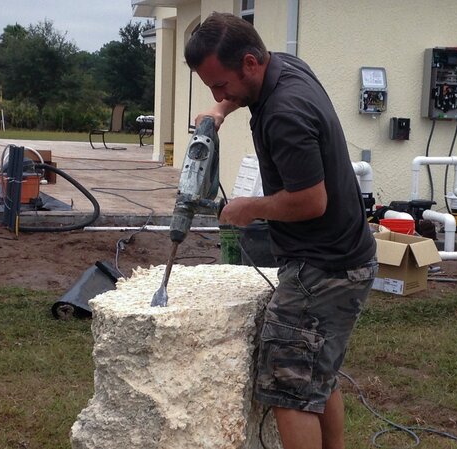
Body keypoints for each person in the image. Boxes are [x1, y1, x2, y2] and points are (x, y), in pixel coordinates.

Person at [186, 12, 377, 449]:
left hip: (323, 270)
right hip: (347, 255)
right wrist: (220, 110)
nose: (219, 94)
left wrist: (248, 208)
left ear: (251, 63)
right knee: (317, 377)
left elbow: (312, 201)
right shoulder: (285, 66)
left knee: (289, 389)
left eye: (221, 85)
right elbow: (239, 89)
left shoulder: (285, 114)